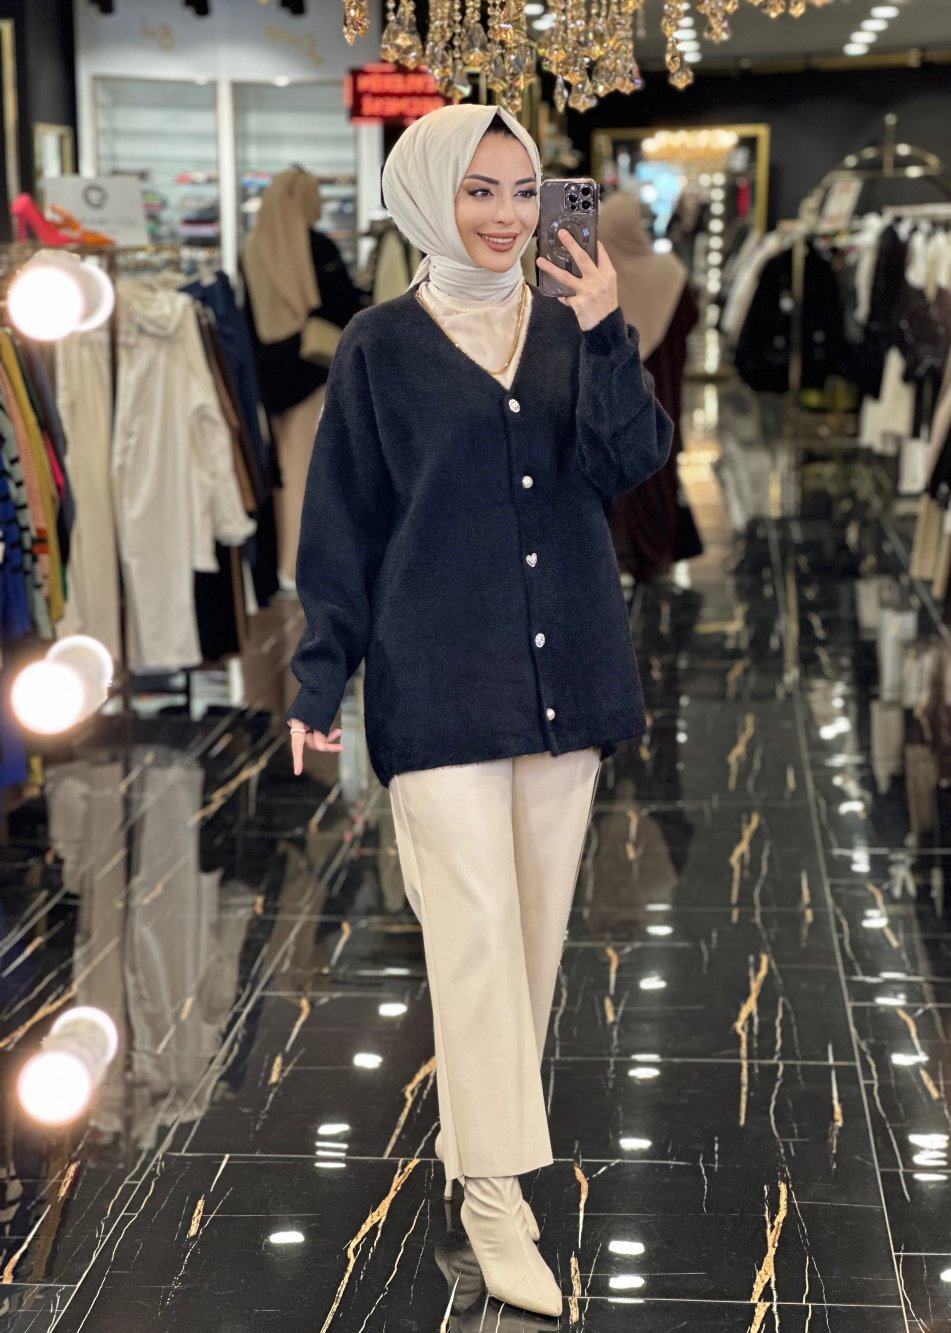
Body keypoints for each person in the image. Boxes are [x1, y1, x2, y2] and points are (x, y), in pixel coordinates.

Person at [285, 104, 672, 1319]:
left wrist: (607, 333)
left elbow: (633, 464)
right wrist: (317, 675)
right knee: (473, 940)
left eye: (521, 190)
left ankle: (483, 1155)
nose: (505, 216)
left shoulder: (568, 324)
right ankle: (495, 1200)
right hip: (438, 680)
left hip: (567, 682)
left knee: (535, 940)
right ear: (426, 197)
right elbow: (342, 524)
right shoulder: (379, 347)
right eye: (478, 191)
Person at [242, 167, 364, 590]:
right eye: (315, 195)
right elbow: (345, 307)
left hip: (268, 374)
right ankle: (303, 565)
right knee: (310, 471)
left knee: (282, 470)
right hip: (311, 368)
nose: (321, 203)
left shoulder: (253, 246)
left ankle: (285, 562)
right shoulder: (317, 246)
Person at [600, 191, 701, 584]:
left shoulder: (598, 284)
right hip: (662, 394)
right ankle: (656, 551)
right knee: (658, 468)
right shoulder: (670, 272)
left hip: (613, 398)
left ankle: (623, 553)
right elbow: (690, 318)